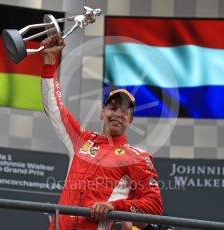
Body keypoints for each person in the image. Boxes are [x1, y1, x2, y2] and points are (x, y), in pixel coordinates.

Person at [41, 36, 163, 230]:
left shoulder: (136, 158)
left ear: (130, 120)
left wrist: (114, 207)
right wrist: (49, 61)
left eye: (125, 112)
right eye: (113, 108)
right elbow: (55, 108)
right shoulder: (81, 140)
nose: (118, 115)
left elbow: (154, 206)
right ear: (102, 113)